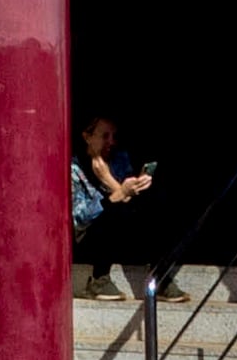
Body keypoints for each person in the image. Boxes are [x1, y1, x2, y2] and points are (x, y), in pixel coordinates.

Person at [72, 115, 168, 299]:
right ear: (87, 137)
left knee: (154, 203)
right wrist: (116, 189)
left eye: (114, 136)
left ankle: (162, 276)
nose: (111, 142)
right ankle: (99, 280)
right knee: (111, 210)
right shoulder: (74, 168)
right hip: (89, 237)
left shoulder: (119, 160)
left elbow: (129, 204)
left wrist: (138, 186)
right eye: (105, 136)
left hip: (121, 234)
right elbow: (79, 218)